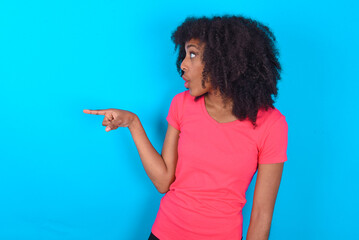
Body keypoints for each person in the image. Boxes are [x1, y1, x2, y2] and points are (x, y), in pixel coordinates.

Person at [84, 15, 288, 240]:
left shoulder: (271, 124)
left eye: (193, 54)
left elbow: (261, 216)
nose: (182, 64)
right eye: (184, 55)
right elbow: (163, 182)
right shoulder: (181, 104)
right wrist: (133, 123)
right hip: (165, 232)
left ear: (224, 60)